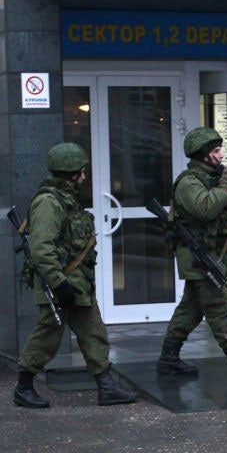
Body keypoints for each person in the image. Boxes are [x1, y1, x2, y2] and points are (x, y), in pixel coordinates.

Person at [14, 142, 139, 408]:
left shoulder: (67, 200)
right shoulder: (49, 202)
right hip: (60, 284)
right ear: (71, 172)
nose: (84, 176)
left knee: (94, 332)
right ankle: (23, 387)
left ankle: (106, 388)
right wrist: (59, 284)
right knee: (47, 336)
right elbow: (42, 250)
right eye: (81, 171)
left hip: (78, 283)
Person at [156, 127, 227, 380]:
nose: (221, 156)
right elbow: (206, 209)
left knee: (191, 310)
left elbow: (225, 221)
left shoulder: (212, 180)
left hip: (210, 256)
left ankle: (168, 358)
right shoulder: (189, 182)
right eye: (216, 151)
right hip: (198, 260)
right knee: (219, 307)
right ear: (203, 155)